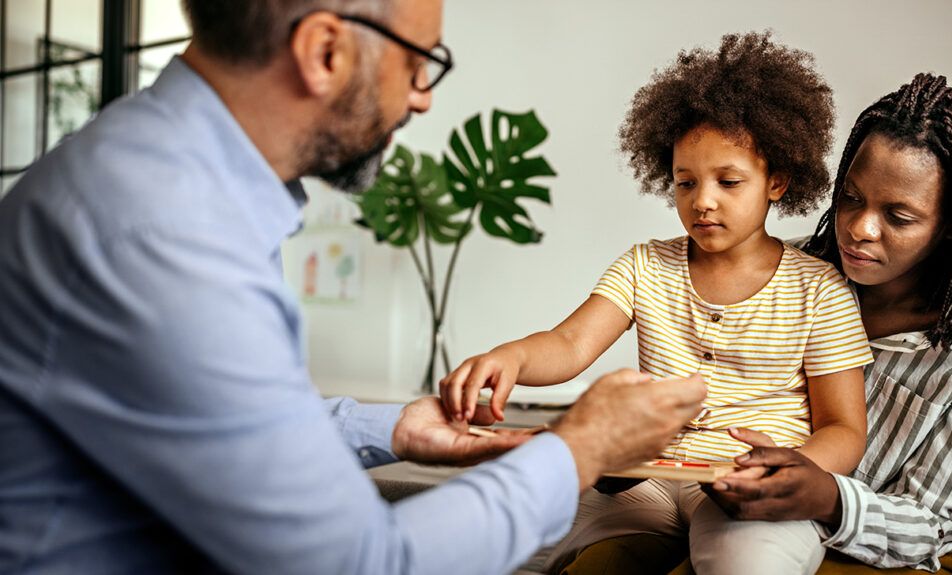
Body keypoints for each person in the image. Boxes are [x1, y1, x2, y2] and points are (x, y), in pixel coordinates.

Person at [0, 1, 708, 573]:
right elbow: (361, 560)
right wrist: (578, 449)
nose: (424, 100)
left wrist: (395, 427)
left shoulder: (168, 177)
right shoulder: (168, 230)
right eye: (419, 64)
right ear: (325, 51)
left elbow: (237, 430)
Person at [440, 32, 874, 574]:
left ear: (778, 182)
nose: (702, 201)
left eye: (728, 181)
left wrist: (791, 471)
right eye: (685, 182)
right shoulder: (646, 265)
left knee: (748, 566)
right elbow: (571, 342)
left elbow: (844, 428)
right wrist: (512, 359)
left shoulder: (820, 290)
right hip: (648, 482)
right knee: (593, 562)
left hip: (751, 489)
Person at [569, 73, 952, 574]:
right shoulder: (793, 271)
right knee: (600, 560)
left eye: (897, 216)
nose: (858, 228)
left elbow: (934, 521)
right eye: (851, 198)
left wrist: (826, 496)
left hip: (919, 550)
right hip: (750, 508)